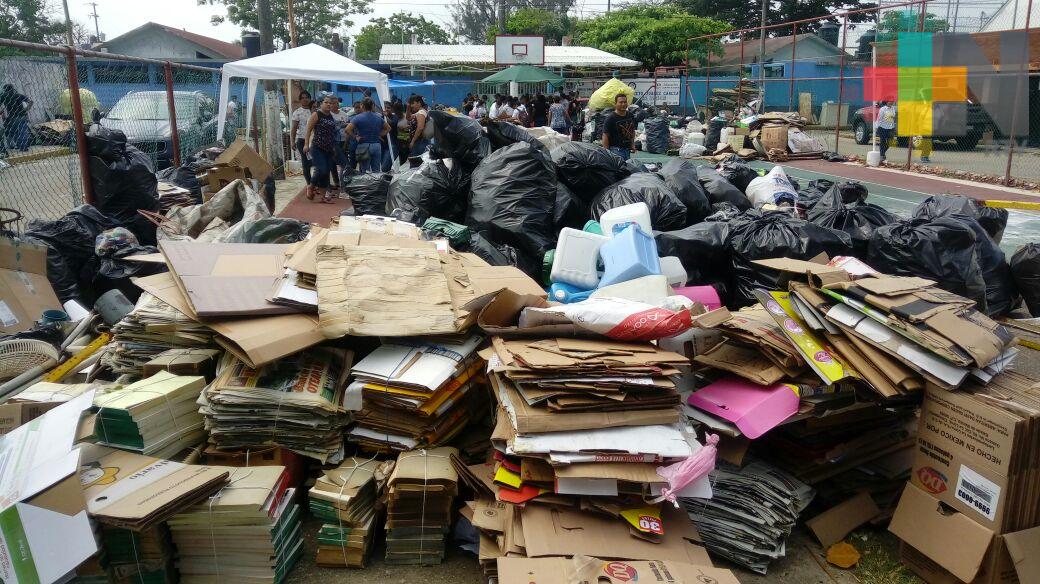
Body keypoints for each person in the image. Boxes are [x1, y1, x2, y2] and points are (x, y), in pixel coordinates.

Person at [304, 94, 339, 204]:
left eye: (330, 103)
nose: (329, 104)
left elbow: (331, 132)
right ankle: (311, 186)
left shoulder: (330, 116)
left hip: (329, 149)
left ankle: (323, 196)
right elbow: (308, 130)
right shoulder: (316, 114)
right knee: (322, 169)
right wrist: (306, 145)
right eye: (326, 102)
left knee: (325, 172)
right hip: (317, 147)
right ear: (320, 104)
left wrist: (333, 147)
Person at [346, 98, 391, 173]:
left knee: (365, 171)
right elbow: (388, 128)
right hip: (376, 145)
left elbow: (347, 129)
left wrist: (355, 137)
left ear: (362, 106)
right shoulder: (378, 117)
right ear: (372, 106)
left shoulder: (358, 117)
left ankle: (366, 184)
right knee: (376, 170)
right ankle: (375, 184)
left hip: (363, 145)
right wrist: (379, 134)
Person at [290, 90, 315, 196]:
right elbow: (294, 128)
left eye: (307, 97)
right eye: (303, 97)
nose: (305, 99)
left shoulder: (314, 111)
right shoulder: (297, 112)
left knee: (317, 163)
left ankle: (316, 183)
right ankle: (309, 185)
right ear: (300, 100)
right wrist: (292, 141)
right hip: (302, 140)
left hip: (314, 140)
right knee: (306, 164)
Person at [602, 93, 636, 161]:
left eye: (625, 102)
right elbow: (605, 135)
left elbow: (632, 131)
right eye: (620, 102)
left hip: (627, 150)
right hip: (616, 151)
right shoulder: (611, 118)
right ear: (616, 103)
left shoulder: (630, 115)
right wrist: (607, 153)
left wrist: (632, 144)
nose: (623, 104)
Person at [1, 84, 32, 152]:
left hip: (13, 117)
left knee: (14, 132)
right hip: (22, 115)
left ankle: (19, 145)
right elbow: (31, 101)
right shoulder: (18, 95)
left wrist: (1, 112)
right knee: (23, 131)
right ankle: (24, 147)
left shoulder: (4, 96)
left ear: (5, 90)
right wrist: (26, 109)